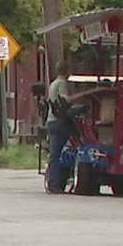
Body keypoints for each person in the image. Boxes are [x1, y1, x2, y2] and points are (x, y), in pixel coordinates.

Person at [44, 59, 100, 193]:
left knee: (54, 154)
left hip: (51, 121)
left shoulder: (53, 84)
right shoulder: (63, 83)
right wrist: (83, 95)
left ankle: (53, 183)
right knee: (82, 139)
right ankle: (80, 166)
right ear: (67, 70)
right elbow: (65, 99)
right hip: (60, 122)